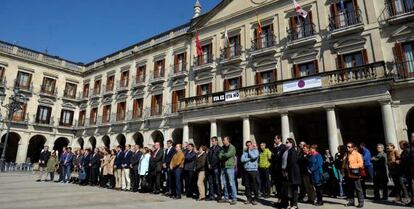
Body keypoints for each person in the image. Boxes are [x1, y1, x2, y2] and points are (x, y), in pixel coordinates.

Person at [280, 138, 301, 209]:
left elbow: (292, 162)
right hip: (286, 172)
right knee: (288, 189)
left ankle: (295, 205)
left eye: (287, 142)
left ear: (291, 143)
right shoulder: (286, 151)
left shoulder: (293, 151)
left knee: (294, 189)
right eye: (286, 142)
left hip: (292, 172)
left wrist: (286, 170)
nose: (286, 143)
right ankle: (289, 204)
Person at [343, 142, 364, 208]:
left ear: (353, 147)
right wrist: (342, 169)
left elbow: (360, 164)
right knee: (350, 188)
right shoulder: (346, 154)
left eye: (349, 147)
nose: (347, 148)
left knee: (358, 188)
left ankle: (361, 202)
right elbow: (344, 163)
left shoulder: (357, 154)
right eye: (347, 147)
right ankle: (351, 201)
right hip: (347, 173)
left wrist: (351, 166)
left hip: (354, 173)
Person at [218, 136, 237, 205]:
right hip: (223, 167)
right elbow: (219, 156)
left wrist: (223, 155)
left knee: (231, 183)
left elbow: (229, 155)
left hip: (230, 167)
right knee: (225, 183)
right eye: (223, 140)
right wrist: (223, 155)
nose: (223, 141)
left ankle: (234, 198)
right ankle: (226, 197)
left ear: (228, 140)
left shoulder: (232, 147)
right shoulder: (223, 147)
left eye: (224, 140)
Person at [241, 140, 259, 205]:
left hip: (253, 170)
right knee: (247, 186)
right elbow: (242, 159)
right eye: (247, 145)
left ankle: (256, 198)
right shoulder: (245, 152)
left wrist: (250, 151)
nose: (248, 146)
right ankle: (249, 198)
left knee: (254, 185)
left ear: (251, 145)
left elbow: (254, 156)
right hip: (246, 170)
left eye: (249, 145)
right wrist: (249, 159)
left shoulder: (255, 150)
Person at [207, 136, 222, 201]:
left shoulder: (219, 148)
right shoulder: (210, 149)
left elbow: (218, 158)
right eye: (212, 141)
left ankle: (219, 195)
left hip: (216, 167)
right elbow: (207, 157)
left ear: (216, 141)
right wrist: (208, 164)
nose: (212, 142)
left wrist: (212, 165)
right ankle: (211, 195)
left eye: (213, 141)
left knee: (217, 182)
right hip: (210, 168)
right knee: (211, 182)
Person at [272, 135, 286, 199]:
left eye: (275, 139)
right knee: (277, 185)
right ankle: (279, 199)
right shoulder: (275, 148)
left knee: (281, 185)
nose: (274, 140)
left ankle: (283, 200)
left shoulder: (283, 147)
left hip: (280, 169)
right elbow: (273, 157)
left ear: (279, 139)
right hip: (275, 169)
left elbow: (279, 157)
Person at [400, 139, 414, 205]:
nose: (400, 146)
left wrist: (400, 161)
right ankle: (410, 199)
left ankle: (409, 198)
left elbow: (408, 160)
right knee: (410, 185)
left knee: (411, 185)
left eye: (401, 144)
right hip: (406, 171)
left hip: (408, 170)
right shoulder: (405, 151)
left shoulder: (408, 151)